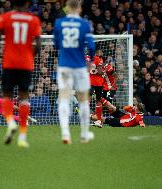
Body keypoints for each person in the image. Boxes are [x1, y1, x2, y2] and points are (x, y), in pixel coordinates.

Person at [0, 0, 41, 147]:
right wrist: (29, 57)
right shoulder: (34, 19)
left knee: (6, 95)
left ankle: (11, 122)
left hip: (9, 63)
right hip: (26, 64)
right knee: (23, 98)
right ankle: (22, 137)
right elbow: (39, 46)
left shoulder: (5, 17)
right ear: (27, 3)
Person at [54, 0, 95, 144]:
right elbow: (91, 46)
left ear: (67, 8)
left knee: (64, 97)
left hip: (64, 65)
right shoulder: (85, 24)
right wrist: (91, 61)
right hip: (79, 66)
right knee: (83, 99)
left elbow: (56, 44)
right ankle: (84, 134)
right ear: (79, 8)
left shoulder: (59, 23)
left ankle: (65, 133)